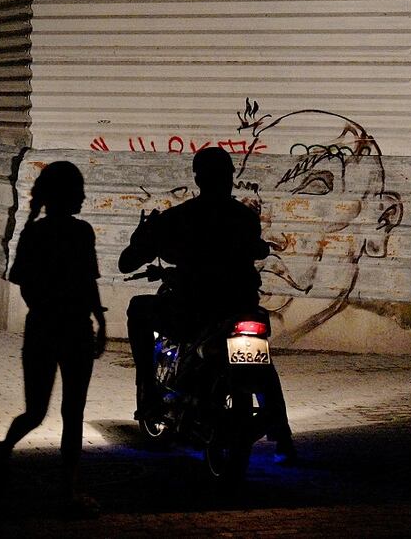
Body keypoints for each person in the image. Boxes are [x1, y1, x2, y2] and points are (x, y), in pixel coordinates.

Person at [119, 146, 296, 462]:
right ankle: (283, 436)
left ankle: (148, 389)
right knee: (262, 362)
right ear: (230, 177)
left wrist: (142, 236)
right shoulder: (245, 217)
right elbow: (255, 248)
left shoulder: (181, 217)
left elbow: (128, 261)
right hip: (241, 309)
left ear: (198, 178)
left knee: (138, 310)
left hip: (194, 312)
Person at [0, 161, 107, 515]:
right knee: (72, 413)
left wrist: (47, 308)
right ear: (67, 196)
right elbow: (88, 282)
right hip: (72, 330)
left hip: (43, 328)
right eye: (79, 190)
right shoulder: (80, 233)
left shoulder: (35, 233)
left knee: (37, 412)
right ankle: (66, 490)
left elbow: (24, 281)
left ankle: (5, 451)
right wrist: (97, 320)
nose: (84, 196)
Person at [233, 109, 403, 345]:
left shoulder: (392, 338)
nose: (269, 236)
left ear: (381, 222)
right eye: (253, 205)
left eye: (313, 189)